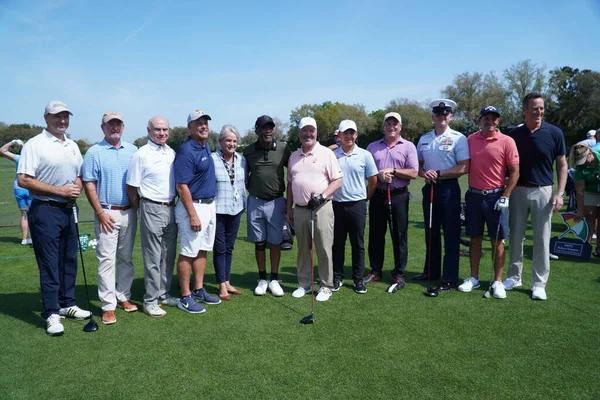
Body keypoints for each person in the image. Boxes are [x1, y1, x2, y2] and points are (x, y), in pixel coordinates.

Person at [17, 100, 91, 336]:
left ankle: (67, 303)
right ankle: (51, 312)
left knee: (68, 258)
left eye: (65, 116)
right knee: (49, 263)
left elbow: (80, 174)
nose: (62, 121)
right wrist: (60, 190)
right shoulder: (35, 144)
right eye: (57, 116)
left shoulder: (71, 144)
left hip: (69, 209)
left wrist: (76, 187)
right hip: (45, 209)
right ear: (46, 118)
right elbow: (24, 180)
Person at [505, 92, 567, 301]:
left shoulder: (554, 132)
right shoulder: (515, 134)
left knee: (541, 239)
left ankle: (539, 284)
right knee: (515, 236)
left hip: (543, 190)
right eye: (534, 108)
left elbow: (562, 164)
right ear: (524, 110)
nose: (539, 112)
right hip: (518, 190)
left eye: (541, 108)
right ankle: (514, 277)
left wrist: (560, 193)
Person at [82, 111, 138, 325]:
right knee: (106, 260)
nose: (115, 128)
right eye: (110, 124)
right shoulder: (94, 152)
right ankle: (108, 305)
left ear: (123, 127)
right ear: (103, 127)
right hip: (107, 212)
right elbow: (89, 184)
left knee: (126, 258)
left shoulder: (133, 150)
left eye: (118, 124)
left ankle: (123, 296)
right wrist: (100, 213)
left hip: (129, 211)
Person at [458, 106, 519, 298]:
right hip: (474, 196)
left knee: (497, 240)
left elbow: (515, 171)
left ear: (498, 121)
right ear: (480, 120)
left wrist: (506, 195)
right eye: (486, 118)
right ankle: (474, 278)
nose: (490, 121)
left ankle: (498, 281)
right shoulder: (470, 140)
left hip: (496, 196)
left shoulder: (507, 141)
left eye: (494, 118)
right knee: (475, 239)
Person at [414, 99, 470, 291]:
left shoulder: (459, 138)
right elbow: (419, 166)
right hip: (429, 188)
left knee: (451, 234)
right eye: (438, 114)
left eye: (445, 113)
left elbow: (464, 166)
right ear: (433, 117)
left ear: (451, 116)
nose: (442, 117)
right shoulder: (424, 139)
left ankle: (449, 277)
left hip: (448, 190)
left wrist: (439, 173)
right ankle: (431, 272)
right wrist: (425, 174)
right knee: (431, 232)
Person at [126, 116, 179, 317]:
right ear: (149, 130)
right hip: (151, 206)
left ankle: (164, 294)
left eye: (165, 129)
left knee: (168, 255)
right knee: (153, 257)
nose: (162, 133)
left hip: (170, 207)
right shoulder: (141, 154)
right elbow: (131, 187)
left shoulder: (171, 152)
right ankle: (150, 300)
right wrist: (142, 208)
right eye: (157, 129)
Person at [286, 117, 343, 302]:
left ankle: (326, 285)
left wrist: (322, 195)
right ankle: (304, 283)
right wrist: (289, 209)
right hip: (300, 209)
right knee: (303, 249)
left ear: (316, 132)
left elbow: (337, 181)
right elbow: (290, 184)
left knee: (324, 248)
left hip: (322, 208)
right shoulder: (293, 157)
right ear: (299, 133)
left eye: (311, 130)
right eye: (304, 130)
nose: (308, 134)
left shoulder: (326, 153)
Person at [365, 112, 419, 292]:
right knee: (376, 235)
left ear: (400, 127)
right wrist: (379, 174)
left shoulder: (408, 146)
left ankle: (399, 273)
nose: (391, 127)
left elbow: (413, 172)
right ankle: (375, 270)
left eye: (395, 124)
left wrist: (393, 171)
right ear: (384, 127)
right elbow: (366, 172)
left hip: (398, 196)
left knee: (399, 236)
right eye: (388, 124)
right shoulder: (372, 147)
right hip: (378, 194)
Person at [174, 110, 221, 314]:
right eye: (198, 123)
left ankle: (198, 289)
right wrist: (192, 214)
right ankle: (185, 296)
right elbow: (181, 186)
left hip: (209, 205)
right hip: (193, 206)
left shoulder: (204, 146)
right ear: (190, 128)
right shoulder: (187, 150)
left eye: (205, 123)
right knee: (187, 252)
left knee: (202, 249)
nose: (203, 126)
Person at [243, 115, 291, 297]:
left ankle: (274, 279)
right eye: (264, 128)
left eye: (271, 127)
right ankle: (262, 278)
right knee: (260, 242)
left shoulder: (284, 148)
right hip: (255, 201)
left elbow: (296, 168)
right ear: (257, 131)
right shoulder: (248, 151)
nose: (268, 130)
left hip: (276, 201)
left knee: (275, 242)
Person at [332, 120, 378, 294]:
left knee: (357, 243)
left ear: (356, 135)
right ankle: (337, 276)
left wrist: (364, 198)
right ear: (340, 136)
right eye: (345, 133)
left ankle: (358, 279)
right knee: (337, 243)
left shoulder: (365, 155)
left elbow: (373, 180)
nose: (349, 136)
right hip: (337, 204)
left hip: (357, 204)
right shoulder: (333, 155)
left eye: (352, 133)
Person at [211, 124, 247, 300]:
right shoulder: (212, 159)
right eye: (228, 140)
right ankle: (221, 285)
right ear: (220, 141)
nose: (231, 144)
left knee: (229, 248)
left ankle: (227, 281)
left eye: (234, 141)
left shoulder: (241, 160)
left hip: (236, 209)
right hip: (218, 209)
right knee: (220, 247)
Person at [570, 144, 600, 255]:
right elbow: (580, 191)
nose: (583, 163)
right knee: (590, 217)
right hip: (589, 192)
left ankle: (599, 248)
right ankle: (586, 247)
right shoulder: (580, 168)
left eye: (585, 159)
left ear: (590, 154)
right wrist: (580, 210)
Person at [1, 139, 32, 245]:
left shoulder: (19, 158)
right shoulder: (34, 159)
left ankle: (24, 239)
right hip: (30, 187)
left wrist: (13, 142)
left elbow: (2, 150)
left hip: (18, 188)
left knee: (24, 214)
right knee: (35, 214)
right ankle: (36, 238)